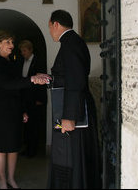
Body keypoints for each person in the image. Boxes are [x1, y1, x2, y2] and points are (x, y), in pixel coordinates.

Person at [47, 10, 101, 189]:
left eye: (49, 27)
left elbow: (76, 81)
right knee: (69, 156)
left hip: (74, 113)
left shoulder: (71, 44)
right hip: (72, 107)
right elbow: (66, 77)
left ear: (55, 24)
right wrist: (50, 79)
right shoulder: (71, 42)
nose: (50, 32)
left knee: (72, 157)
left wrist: (69, 116)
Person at [0, 30, 50, 189]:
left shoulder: (13, 62)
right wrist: (31, 79)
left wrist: (23, 110)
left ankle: (11, 178)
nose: (12, 45)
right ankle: (2, 180)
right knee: (2, 148)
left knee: (14, 146)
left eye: (12, 42)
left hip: (15, 109)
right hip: (1, 111)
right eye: (7, 42)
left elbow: (18, 89)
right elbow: (8, 85)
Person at [18, 40, 47, 158]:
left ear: (30, 50)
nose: (22, 53)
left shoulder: (38, 61)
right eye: (21, 51)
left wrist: (40, 98)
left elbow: (42, 80)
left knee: (34, 125)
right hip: (25, 98)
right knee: (26, 124)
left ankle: (33, 150)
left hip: (35, 98)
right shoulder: (21, 62)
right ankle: (28, 148)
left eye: (24, 50)